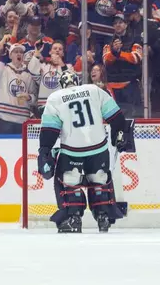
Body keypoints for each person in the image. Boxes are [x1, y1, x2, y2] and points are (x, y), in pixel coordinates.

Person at [37, 70, 127, 234]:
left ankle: (73, 218)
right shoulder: (94, 90)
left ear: (62, 84)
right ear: (77, 82)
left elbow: (50, 130)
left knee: (69, 181)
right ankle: (103, 215)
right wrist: (118, 134)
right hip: (98, 146)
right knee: (99, 178)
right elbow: (117, 116)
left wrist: (44, 151)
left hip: (73, 150)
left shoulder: (55, 98)